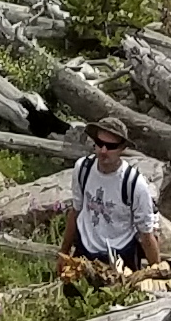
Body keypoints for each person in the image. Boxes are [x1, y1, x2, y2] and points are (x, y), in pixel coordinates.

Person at [57, 117, 163, 290]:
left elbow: (146, 234)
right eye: (99, 143)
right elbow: (75, 211)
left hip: (120, 257)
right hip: (85, 251)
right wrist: (63, 253)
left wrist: (157, 274)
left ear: (122, 148)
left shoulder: (134, 184)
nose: (103, 150)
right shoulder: (82, 169)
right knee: (75, 303)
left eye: (111, 146)